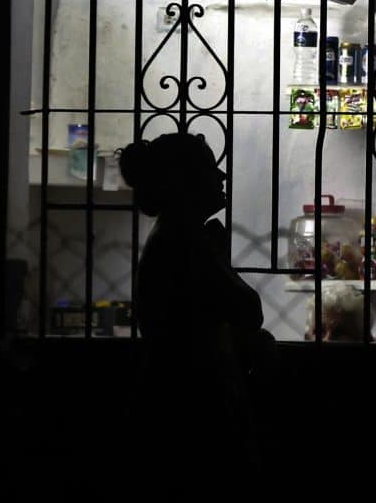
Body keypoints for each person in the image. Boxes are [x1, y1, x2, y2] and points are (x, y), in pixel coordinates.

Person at [118, 132, 273, 499]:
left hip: (180, 405)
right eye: (208, 169)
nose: (221, 177)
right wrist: (221, 260)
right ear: (182, 182)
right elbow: (248, 311)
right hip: (195, 415)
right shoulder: (185, 241)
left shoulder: (178, 236)